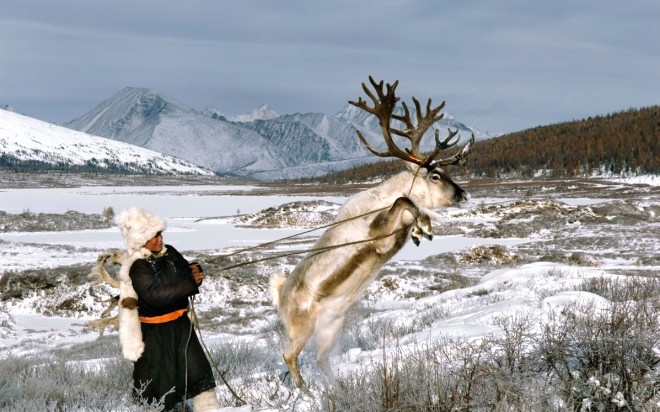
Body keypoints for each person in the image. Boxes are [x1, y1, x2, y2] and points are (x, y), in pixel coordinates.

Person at [116, 207, 220, 411]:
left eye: (160, 233)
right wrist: (189, 282)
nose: (159, 239)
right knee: (161, 388)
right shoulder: (137, 267)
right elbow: (155, 296)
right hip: (156, 335)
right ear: (140, 240)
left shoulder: (170, 253)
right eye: (153, 236)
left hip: (180, 326)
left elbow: (182, 275)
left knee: (198, 375)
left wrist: (194, 272)